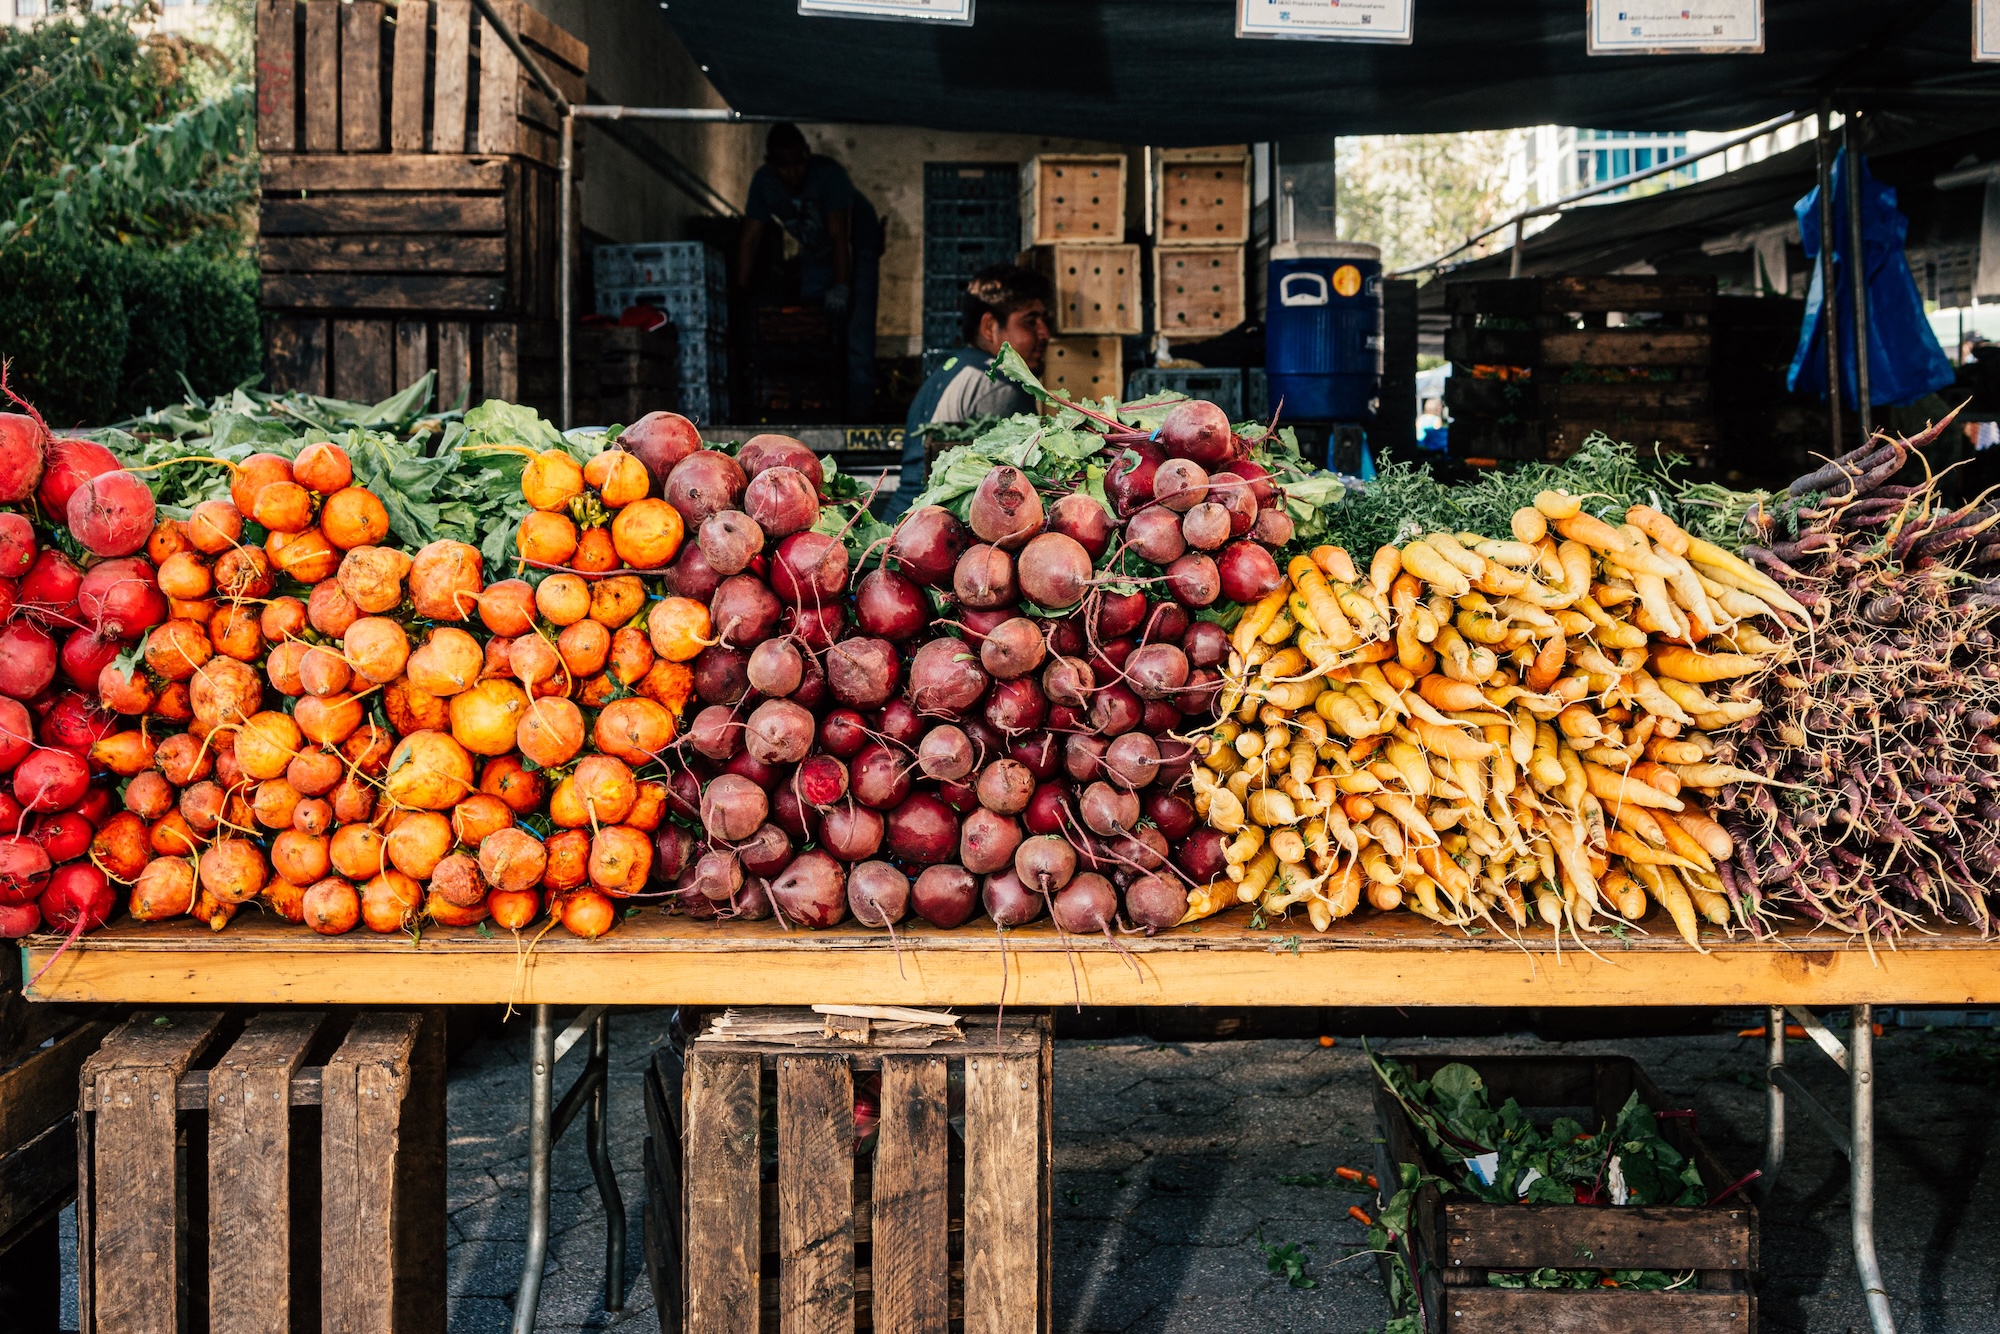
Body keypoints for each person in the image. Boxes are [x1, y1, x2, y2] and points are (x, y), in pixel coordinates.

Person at [738, 123, 884, 418]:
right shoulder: (764, 183)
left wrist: (842, 287)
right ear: (771, 164)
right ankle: (820, 401)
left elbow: (840, 238)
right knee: (813, 318)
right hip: (818, 249)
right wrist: (740, 293)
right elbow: (750, 238)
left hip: (859, 244)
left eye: (797, 164)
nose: (792, 173)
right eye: (783, 166)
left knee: (856, 328)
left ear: (807, 155)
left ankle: (860, 411)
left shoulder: (830, 177)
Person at [890, 264, 1053, 516]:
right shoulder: (1001, 388)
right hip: (926, 533)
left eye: (1044, 321)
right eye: (1030, 322)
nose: (1045, 333)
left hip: (906, 524)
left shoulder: (952, 369)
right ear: (989, 327)